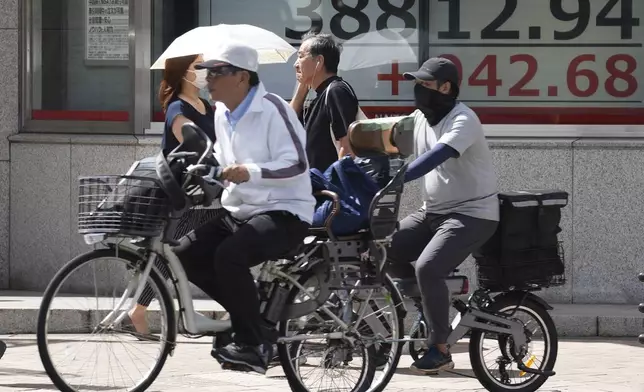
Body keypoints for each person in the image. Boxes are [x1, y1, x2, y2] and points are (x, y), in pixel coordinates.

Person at [175, 42, 315, 374]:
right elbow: (223, 162)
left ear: (241, 77)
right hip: (241, 209)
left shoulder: (273, 109)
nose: (208, 79)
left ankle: (254, 344)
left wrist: (249, 171)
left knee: (229, 256)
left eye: (217, 72)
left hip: (285, 211)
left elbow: (296, 163)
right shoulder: (222, 113)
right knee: (186, 253)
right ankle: (252, 320)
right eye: (206, 72)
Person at [387, 57, 500, 374]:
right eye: (417, 83)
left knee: (428, 267)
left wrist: (398, 177)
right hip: (434, 212)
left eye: (425, 84)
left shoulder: (464, 120)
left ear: (445, 87)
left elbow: (435, 157)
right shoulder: (421, 117)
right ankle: (429, 305)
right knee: (384, 245)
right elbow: (391, 136)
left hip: (473, 214)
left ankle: (440, 348)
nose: (418, 90)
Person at [126, 54, 222, 337]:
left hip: (203, 191)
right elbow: (192, 145)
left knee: (173, 253)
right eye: (198, 67)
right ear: (183, 72)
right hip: (182, 192)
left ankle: (143, 311)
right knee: (169, 254)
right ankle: (139, 311)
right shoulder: (177, 107)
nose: (204, 72)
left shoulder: (206, 106)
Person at [290, 32, 358, 172]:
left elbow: (347, 148)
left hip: (330, 190)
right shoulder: (320, 94)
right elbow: (287, 121)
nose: (295, 65)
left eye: (301, 56)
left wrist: (335, 186)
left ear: (319, 62)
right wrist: (303, 86)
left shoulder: (336, 92)